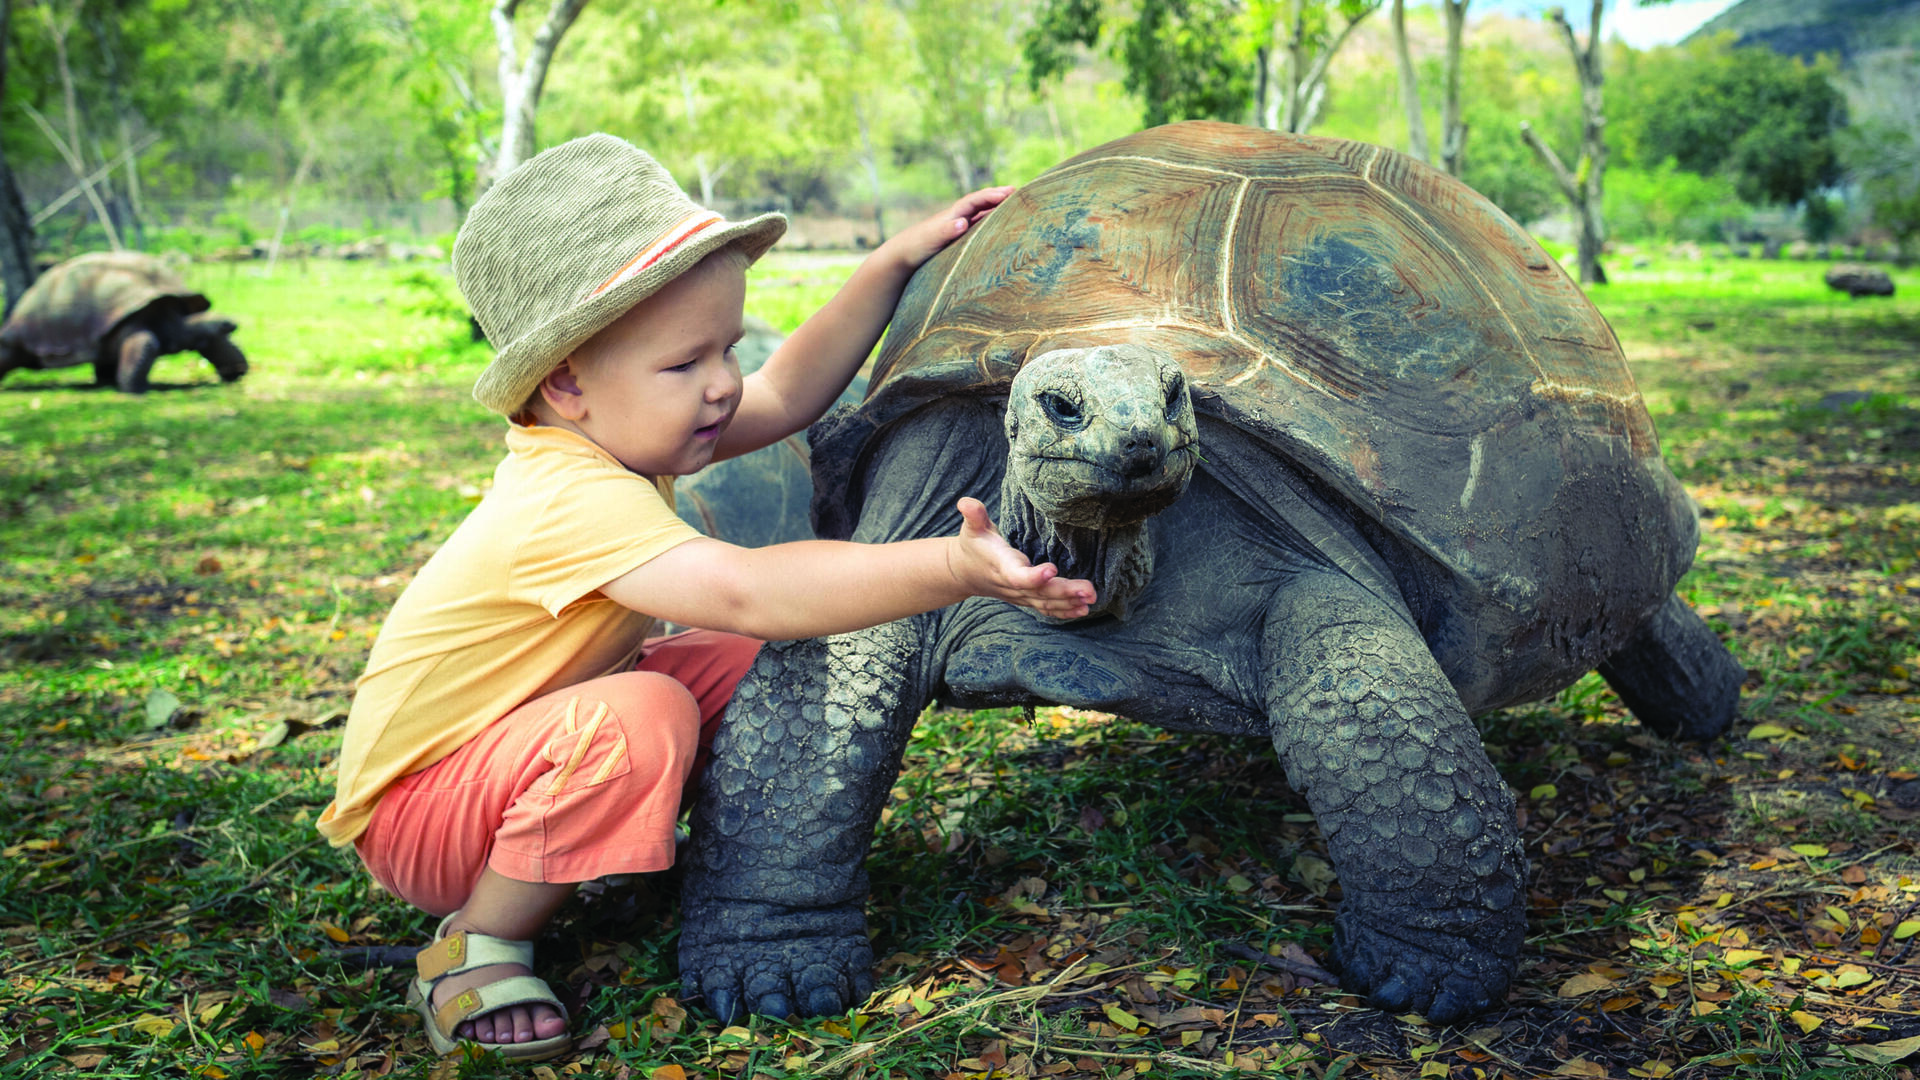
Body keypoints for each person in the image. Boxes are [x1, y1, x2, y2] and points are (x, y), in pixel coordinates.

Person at [314, 134, 1095, 1063]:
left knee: (743, 668)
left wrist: (890, 263)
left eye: (725, 346)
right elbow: (746, 588)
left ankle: (698, 847)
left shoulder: (620, 436)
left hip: (507, 754)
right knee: (643, 709)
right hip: (420, 813)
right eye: (687, 364)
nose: (724, 382)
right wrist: (955, 567)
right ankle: (476, 941)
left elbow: (785, 391)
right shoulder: (564, 496)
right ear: (566, 382)